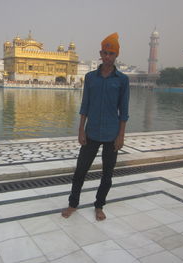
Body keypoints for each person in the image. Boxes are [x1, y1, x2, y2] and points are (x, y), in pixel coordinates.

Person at [61, 33, 130, 221]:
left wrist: (121, 136)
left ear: (116, 56)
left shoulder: (122, 80)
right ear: (100, 53)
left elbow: (123, 111)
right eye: (105, 53)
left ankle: (99, 205)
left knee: (107, 174)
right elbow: (85, 106)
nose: (107, 56)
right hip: (91, 132)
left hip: (111, 133)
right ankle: (72, 204)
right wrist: (81, 129)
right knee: (80, 170)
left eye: (111, 53)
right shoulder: (91, 77)